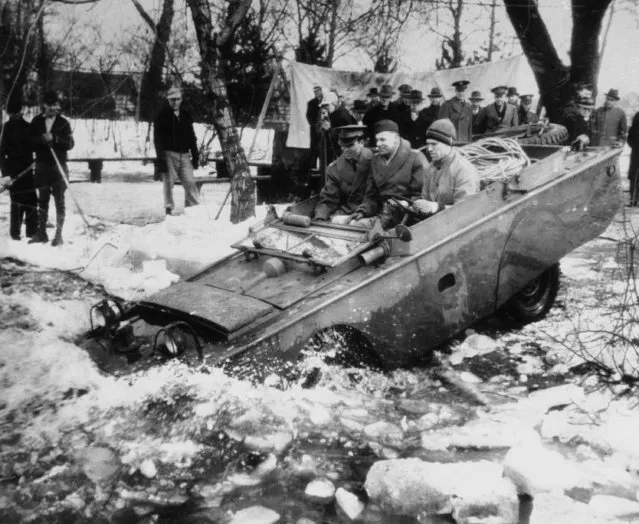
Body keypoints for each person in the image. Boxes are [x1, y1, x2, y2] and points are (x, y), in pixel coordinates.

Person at [350, 119, 428, 229]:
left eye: (382, 140)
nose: (378, 144)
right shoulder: (375, 160)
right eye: (377, 140)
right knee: (352, 226)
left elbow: (421, 196)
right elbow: (371, 195)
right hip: (382, 215)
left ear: (395, 139)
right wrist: (363, 211)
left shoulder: (416, 158)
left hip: (406, 220)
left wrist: (403, 206)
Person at [27, 90, 74, 246]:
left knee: (59, 201)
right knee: (43, 201)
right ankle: (42, 234)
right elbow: (29, 143)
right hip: (42, 167)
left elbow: (70, 144)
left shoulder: (64, 123)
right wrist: (42, 140)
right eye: (49, 105)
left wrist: (55, 138)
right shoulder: (36, 122)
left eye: (55, 104)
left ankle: (58, 236)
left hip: (58, 167)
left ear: (58, 106)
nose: (52, 108)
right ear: (43, 105)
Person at [413, 119, 480, 217]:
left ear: (448, 143)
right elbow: (425, 199)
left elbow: (466, 209)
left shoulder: (464, 170)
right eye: (428, 144)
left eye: (434, 144)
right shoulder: (430, 168)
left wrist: (437, 207)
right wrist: (413, 205)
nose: (429, 149)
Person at [153, 85, 200, 216]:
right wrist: (161, 158)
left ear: (181, 99)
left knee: (190, 181)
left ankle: (193, 209)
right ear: (168, 100)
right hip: (168, 154)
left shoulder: (185, 115)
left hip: (184, 154)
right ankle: (169, 209)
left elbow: (191, 136)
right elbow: (157, 139)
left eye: (178, 99)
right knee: (168, 183)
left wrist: (195, 155)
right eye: (172, 99)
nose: (175, 102)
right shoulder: (162, 116)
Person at [313, 125, 372, 223]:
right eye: (342, 146)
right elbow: (329, 199)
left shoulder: (375, 161)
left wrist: (364, 212)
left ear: (362, 142)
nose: (345, 149)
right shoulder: (334, 169)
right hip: (346, 214)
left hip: (369, 213)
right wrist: (320, 217)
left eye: (350, 145)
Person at [0, 95, 37, 241]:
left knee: (31, 200)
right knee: (17, 202)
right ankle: (15, 234)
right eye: (11, 113)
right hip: (14, 172)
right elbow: (1, 154)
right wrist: (6, 175)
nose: (13, 116)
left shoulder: (29, 128)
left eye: (15, 113)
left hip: (27, 170)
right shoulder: (5, 129)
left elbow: (36, 146)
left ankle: (31, 232)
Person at [306, 85, 324, 173]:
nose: (316, 93)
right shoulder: (311, 103)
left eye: (318, 91)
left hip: (324, 130)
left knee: (323, 148)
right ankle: (312, 170)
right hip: (314, 130)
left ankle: (322, 168)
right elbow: (308, 116)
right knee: (313, 149)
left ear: (321, 91)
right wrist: (314, 125)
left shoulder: (326, 101)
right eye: (315, 92)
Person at [628, 111, 639, 206]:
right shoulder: (637, 116)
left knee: (634, 176)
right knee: (633, 176)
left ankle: (635, 200)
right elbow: (629, 139)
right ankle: (633, 199)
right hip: (636, 153)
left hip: (635, 152)